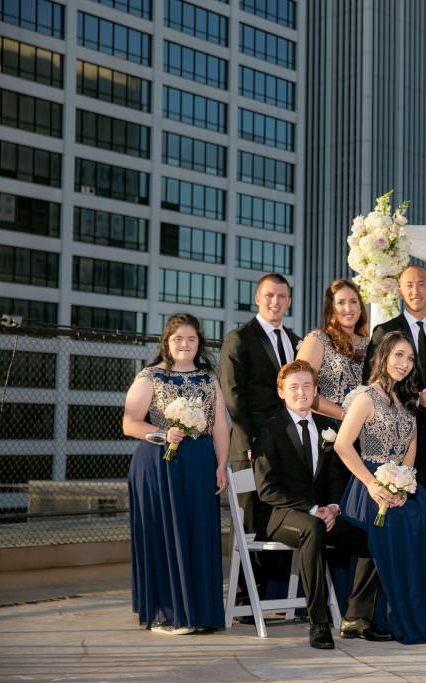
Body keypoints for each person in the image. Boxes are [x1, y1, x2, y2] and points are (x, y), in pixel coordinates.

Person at [337, 331, 426, 644]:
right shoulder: (365, 397)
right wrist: (374, 484)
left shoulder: (405, 403)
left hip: (401, 485)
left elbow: (410, 451)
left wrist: (404, 483)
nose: (405, 363)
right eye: (399, 355)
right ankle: (371, 616)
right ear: (383, 356)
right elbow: (343, 446)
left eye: (410, 358)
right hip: (367, 487)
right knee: (407, 532)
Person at [252, 360, 383, 649]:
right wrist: (313, 510)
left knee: (370, 539)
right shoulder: (269, 429)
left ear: (315, 391)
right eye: (294, 387)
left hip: (324, 514)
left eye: (307, 386)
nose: (301, 392)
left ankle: (356, 619)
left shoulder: (327, 428)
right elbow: (267, 488)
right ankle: (319, 622)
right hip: (280, 516)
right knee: (313, 528)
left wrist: (334, 507)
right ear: (281, 392)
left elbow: (336, 477)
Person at [122, 313, 228, 634]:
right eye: (178, 338)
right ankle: (168, 613)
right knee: (167, 535)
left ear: (200, 343)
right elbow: (130, 424)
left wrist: (221, 464)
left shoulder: (209, 378)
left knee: (197, 534)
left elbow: (221, 424)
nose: (185, 344)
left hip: (198, 464)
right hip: (159, 464)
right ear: (167, 342)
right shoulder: (150, 376)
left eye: (192, 339)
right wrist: (162, 435)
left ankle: (200, 613)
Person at [363, 266, 426, 494]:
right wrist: (417, 399)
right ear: (400, 290)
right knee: (395, 498)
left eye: (420, 284)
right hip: (396, 435)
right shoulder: (384, 331)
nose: (415, 290)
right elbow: (370, 383)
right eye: (409, 285)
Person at [218, 273, 301, 544]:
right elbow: (233, 396)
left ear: (289, 301)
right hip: (251, 447)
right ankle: (243, 589)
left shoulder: (294, 340)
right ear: (257, 298)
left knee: (279, 522)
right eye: (269, 295)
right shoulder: (239, 338)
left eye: (281, 296)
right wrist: (255, 439)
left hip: (286, 448)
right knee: (249, 527)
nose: (275, 301)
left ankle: (271, 588)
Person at [296, 279, 369, 421]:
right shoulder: (317, 340)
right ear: (331, 308)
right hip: (328, 428)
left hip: (366, 428)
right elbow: (302, 390)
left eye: (353, 301)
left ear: (360, 307)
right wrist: (345, 416)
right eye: (341, 302)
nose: (348, 308)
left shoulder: (370, 344)